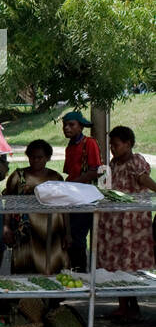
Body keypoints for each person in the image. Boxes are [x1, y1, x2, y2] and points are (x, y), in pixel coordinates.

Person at [96, 126, 156, 322]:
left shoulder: (135, 160)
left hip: (132, 223)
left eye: (116, 144)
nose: (113, 148)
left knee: (130, 262)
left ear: (128, 144)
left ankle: (133, 306)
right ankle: (123, 306)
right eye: (111, 145)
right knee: (117, 262)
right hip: (114, 221)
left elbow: (143, 179)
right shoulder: (113, 163)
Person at [2, 140, 69, 275]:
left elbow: (64, 207)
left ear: (48, 158)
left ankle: (50, 296)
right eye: (32, 157)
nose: (36, 161)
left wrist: (67, 232)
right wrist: (6, 226)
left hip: (52, 230)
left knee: (52, 267)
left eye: (40, 158)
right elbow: (9, 202)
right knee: (24, 266)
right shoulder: (18, 176)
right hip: (25, 232)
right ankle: (25, 296)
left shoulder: (55, 178)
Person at [62, 110, 103, 271]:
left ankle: (82, 272)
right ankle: (77, 270)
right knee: (70, 236)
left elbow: (95, 170)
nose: (66, 128)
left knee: (77, 236)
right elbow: (69, 172)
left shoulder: (89, 143)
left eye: (71, 125)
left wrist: (72, 184)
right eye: (65, 125)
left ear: (80, 127)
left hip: (86, 196)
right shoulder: (70, 147)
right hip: (72, 196)